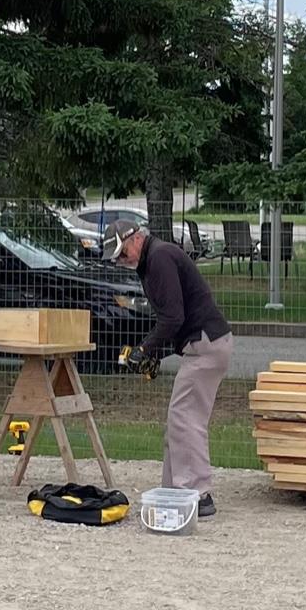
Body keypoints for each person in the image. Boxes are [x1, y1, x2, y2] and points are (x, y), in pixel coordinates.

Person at [101, 219, 232, 517]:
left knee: (185, 418)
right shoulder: (153, 260)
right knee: (179, 418)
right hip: (203, 344)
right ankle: (175, 491)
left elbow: (173, 317)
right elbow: (175, 316)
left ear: (136, 238)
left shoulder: (159, 257)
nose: (122, 261)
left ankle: (197, 494)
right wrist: (157, 353)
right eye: (117, 258)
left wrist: (145, 350)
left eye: (123, 253)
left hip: (205, 344)